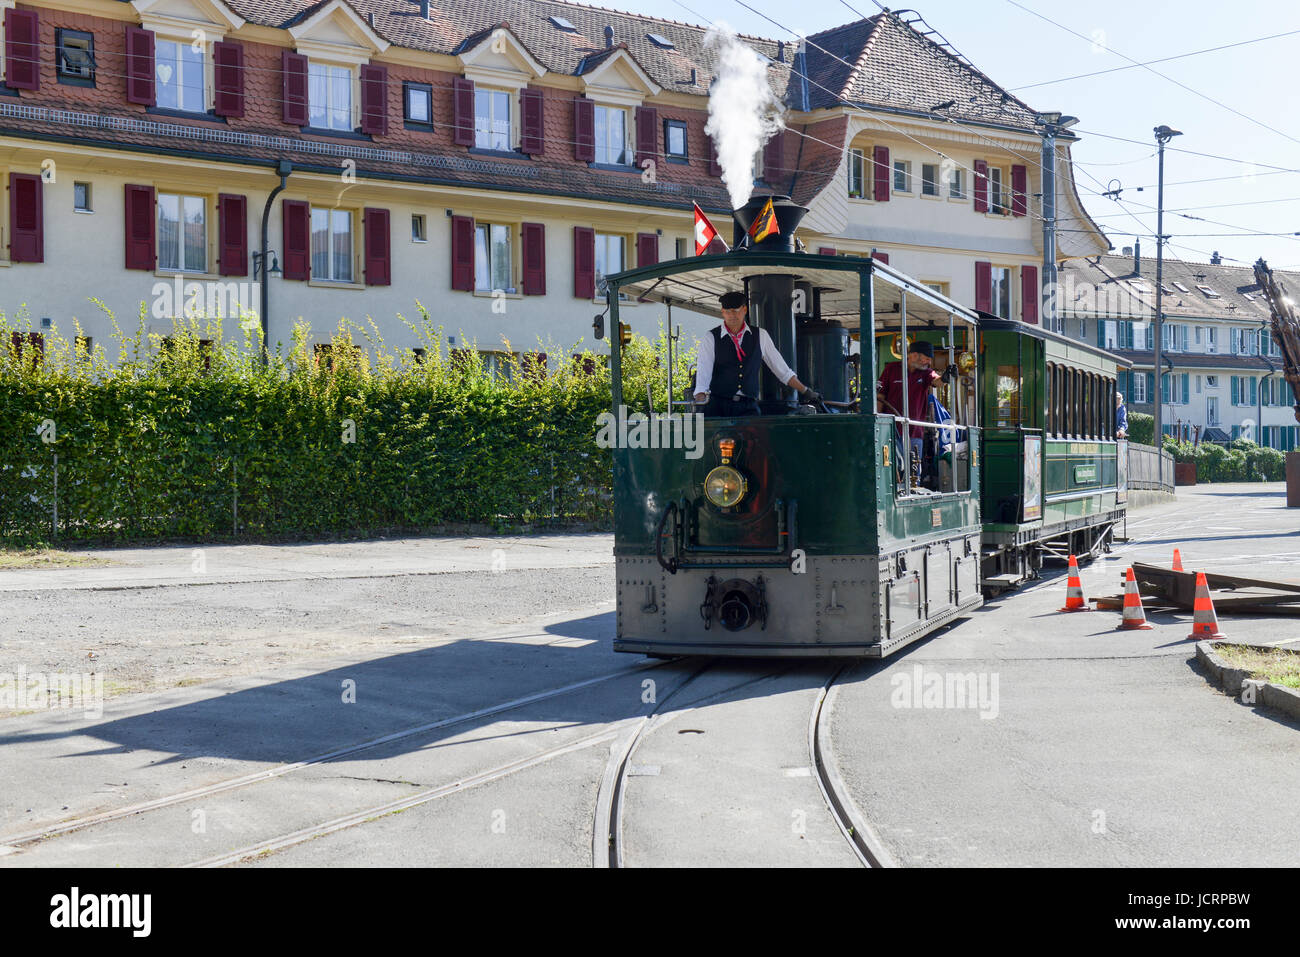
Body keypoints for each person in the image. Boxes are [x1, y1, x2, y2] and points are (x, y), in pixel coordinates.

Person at [693, 291, 819, 416]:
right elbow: (703, 374)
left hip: (748, 406)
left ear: (744, 310)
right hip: (718, 406)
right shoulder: (711, 337)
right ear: (722, 312)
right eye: (727, 312)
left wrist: (806, 391)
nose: (732, 316)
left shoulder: (760, 335)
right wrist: (700, 404)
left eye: (736, 311)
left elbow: (782, 370)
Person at [877, 340, 948, 487]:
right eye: (927, 358)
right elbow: (880, 397)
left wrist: (946, 378)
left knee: (914, 471)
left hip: (915, 432)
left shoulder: (926, 373)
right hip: (891, 431)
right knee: (891, 468)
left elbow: (937, 381)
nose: (929, 362)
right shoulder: (891, 369)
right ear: (914, 355)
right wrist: (877, 421)